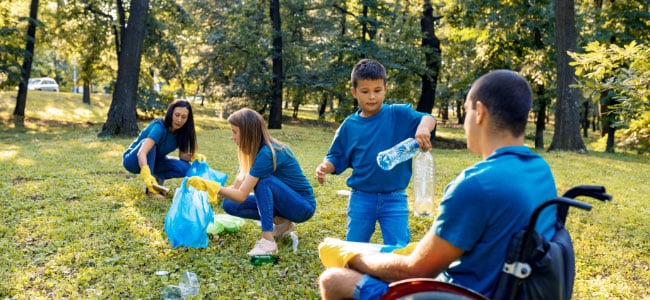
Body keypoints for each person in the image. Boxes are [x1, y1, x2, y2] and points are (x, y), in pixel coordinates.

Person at [317, 70, 559, 299]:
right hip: (507, 288)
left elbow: (414, 271)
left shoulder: (476, 185)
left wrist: (353, 255)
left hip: (457, 294)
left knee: (334, 278)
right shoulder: (540, 170)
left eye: (465, 111)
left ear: (480, 113)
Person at [315, 58, 437, 247]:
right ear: (354, 92)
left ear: (385, 89)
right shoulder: (350, 125)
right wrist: (325, 167)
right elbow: (336, 157)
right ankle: (354, 276)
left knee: (399, 247)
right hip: (361, 197)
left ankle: (396, 276)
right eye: (365, 91)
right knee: (354, 246)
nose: (372, 97)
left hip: (395, 198)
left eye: (377, 90)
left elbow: (429, 118)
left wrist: (423, 128)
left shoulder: (398, 114)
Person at [187, 108, 316, 255]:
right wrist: (206, 193)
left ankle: (268, 242)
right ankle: (282, 223)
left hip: (302, 207)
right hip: (285, 203)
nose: (232, 137)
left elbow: (242, 195)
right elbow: (236, 190)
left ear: (248, 132)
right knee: (230, 204)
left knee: (264, 182)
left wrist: (214, 187)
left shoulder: (267, 153)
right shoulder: (255, 152)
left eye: (235, 132)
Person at [122, 100, 204, 199]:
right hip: (134, 160)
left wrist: (194, 157)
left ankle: (157, 179)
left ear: (188, 119)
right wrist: (146, 173)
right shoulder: (159, 127)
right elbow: (142, 152)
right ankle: (150, 188)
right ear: (171, 113)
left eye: (183, 117)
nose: (179, 120)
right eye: (177, 115)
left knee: (186, 167)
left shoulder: (182, 132)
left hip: (156, 161)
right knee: (150, 146)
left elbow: (182, 156)